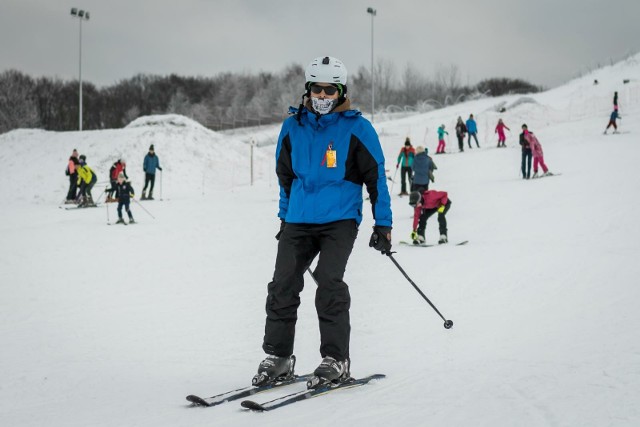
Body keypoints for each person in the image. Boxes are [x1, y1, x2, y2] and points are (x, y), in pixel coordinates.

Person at [253, 56, 393, 389]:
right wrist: (285, 216)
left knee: (329, 283)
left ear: (341, 91)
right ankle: (279, 357)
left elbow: (376, 179)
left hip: (339, 219)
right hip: (298, 219)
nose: (323, 96)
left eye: (330, 90)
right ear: (308, 89)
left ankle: (336, 360)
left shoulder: (357, 127)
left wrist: (382, 224)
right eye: (317, 89)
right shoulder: (293, 125)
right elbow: (284, 175)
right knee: (282, 285)